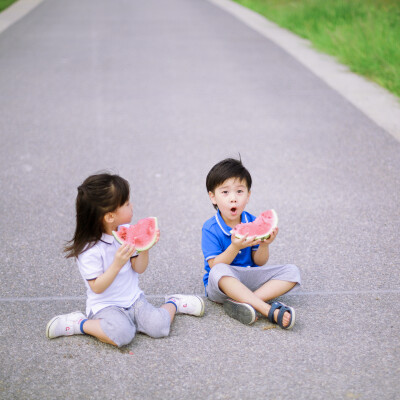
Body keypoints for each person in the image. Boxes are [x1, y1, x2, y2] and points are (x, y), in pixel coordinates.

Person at [46, 173, 204, 347]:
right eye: (127, 204)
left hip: (134, 301)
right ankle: (79, 324)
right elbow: (97, 287)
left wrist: (145, 248)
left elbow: (139, 268)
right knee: (122, 335)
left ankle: (174, 303)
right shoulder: (89, 250)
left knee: (159, 327)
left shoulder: (128, 231)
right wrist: (117, 264)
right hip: (105, 307)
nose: (132, 206)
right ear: (110, 217)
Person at [201, 158, 300, 328]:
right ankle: (267, 309)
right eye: (225, 192)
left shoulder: (252, 221)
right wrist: (235, 247)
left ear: (248, 195)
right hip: (223, 285)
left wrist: (265, 245)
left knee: (292, 272)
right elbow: (214, 265)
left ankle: (243, 303)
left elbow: (259, 262)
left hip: (248, 278)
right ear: (213, 197)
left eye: (239, 191)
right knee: (218, 271)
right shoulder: (210, 228)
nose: (233, 198)